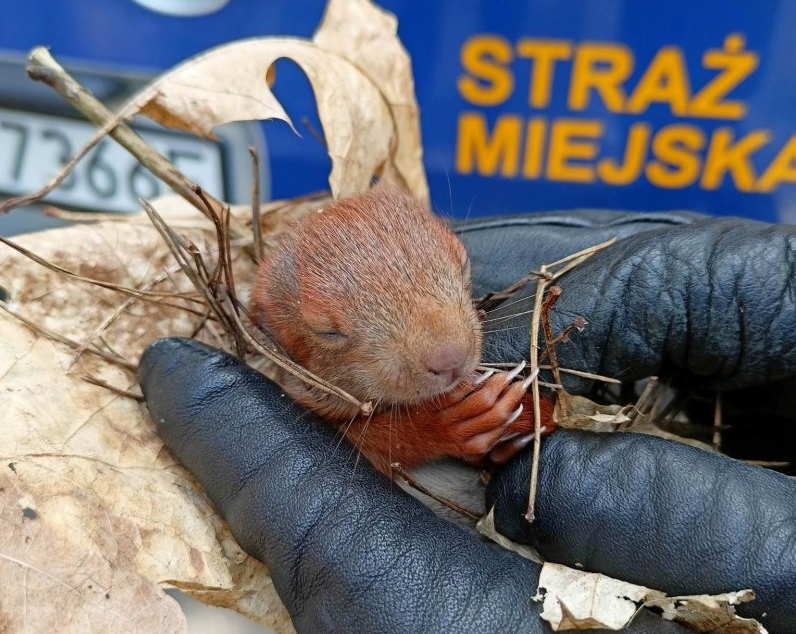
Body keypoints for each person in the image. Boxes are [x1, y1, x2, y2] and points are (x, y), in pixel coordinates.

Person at [139, 209, 796, 634]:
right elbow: (335, 439)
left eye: (453, 269)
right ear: (275, 328)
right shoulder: (285, 379)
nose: (449, 344)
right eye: (330, 330)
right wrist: (416, 433)